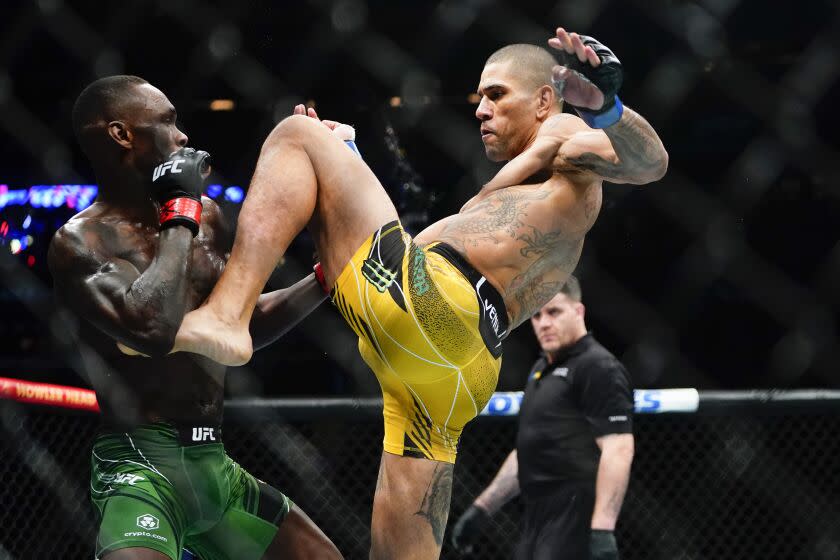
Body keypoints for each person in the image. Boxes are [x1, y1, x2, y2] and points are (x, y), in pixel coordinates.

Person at [173, 27, 668, 559]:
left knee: (296, 134)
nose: (480, 110)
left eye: (497, 95)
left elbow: (648, 164)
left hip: (438, 307)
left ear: (545, 100)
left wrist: (608, 107)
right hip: (464, 367)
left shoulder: (567, 135)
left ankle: (226, 314)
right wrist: (347, 165)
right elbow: (411, 246)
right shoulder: (518, 197)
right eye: (480, 98)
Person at [48, 75, 342, 560]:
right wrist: (178, 212)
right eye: (166, 122)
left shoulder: (209, 218)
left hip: (216, 464)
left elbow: (237, 323)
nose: (182, 136)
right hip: (140, 466)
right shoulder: (81, 243)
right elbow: (151, 327)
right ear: (123, 135)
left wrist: (325, 279)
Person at [450, 278, 635, 559]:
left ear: (579, 312)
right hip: (537, 520)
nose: (543, 323)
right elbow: (528, 450)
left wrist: (602, 530)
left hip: (576, 516)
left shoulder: (597, 367)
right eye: (536, 315)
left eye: (554, 312)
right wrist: (481, 509)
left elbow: (618, 448)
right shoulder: (540, 369)